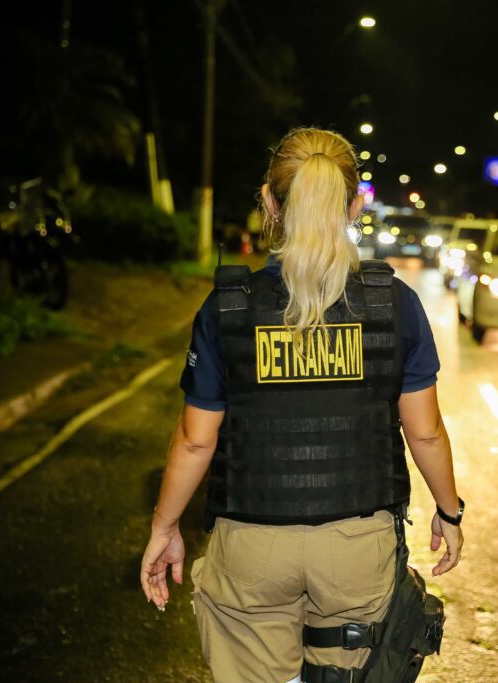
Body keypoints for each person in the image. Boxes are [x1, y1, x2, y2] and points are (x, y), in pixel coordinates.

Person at [140, 127, 464, 683]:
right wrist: (449, 511)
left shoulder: (228, 309)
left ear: (270, 202)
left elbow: (197, 439)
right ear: (356, 205)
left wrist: (164, 526)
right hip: (356, 549)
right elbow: (426, 433)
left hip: (251, 547)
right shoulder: (395, 304)